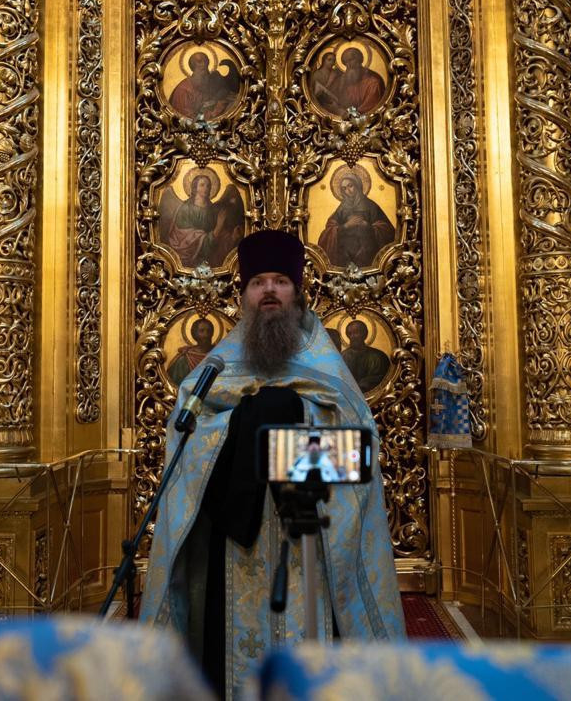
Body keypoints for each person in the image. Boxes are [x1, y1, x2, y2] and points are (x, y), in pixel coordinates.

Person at [141, 230, 404, 698]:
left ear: (297, 292)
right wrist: (244, 422)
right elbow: (186, 446)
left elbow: (357, 454)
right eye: (258, 282)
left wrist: (288, 415)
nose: (268, 291)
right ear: (243, 294)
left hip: (311, 536)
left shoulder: (327, 368)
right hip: (234, 543)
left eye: (280, 281)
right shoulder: (218, 366)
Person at [161, 169, 244, 268]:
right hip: (188, 259)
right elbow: (183, 240)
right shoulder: (185, 209)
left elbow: (219, 239)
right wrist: (217, 228)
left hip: (210, 261)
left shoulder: (213, 210)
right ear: (195, 187)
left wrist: (232, 237)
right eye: (202, 185)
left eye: (208, 186)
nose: (206, 188)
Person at [317, 168, 395, 268]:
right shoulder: (342, 208)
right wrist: (346, 226)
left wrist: (367, 226)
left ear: (357, 185)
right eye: (344, 189)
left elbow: (387, 230)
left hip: (368, 255)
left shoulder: (371, 206)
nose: (348, 191)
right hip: (345, 257)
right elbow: (330, 229)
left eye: (350, 186)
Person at [168, 49, 239, 119]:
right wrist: (218, 108)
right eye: (199, 61)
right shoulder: (183, 90)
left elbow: (221, 95)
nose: (204, 64)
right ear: (192, 66)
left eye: (206, 61)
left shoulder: (211, 83)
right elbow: (189, 119)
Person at [340, 319, 392, 393]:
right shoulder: (342, 357)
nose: (353, 336)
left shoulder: (379, 357)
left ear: (365, 334)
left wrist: (364, 384)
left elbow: (382, 379)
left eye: (356, 332)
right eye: (350, 333)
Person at [167, 317, 217, 387]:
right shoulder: (184, 358)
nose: (206, 335)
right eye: (202, 331)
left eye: (209, 331)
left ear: (212, 333)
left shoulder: (220, 353)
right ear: (194, 334)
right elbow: (174, 383)